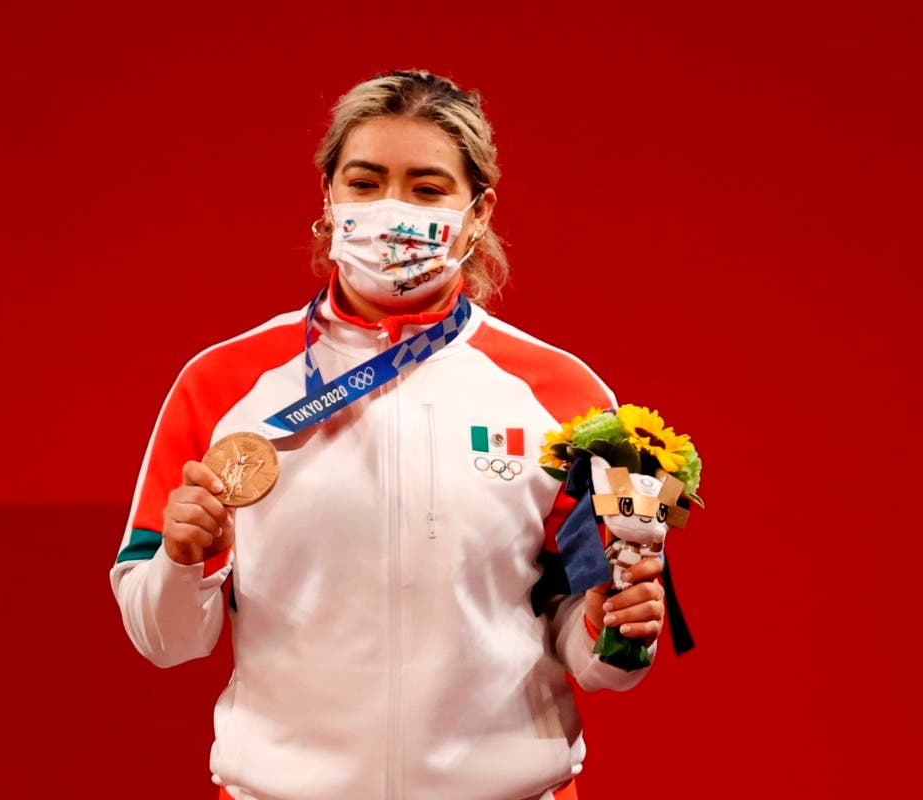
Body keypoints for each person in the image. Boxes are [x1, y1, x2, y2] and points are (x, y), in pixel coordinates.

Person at [109, 69, 667, 800]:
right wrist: (183, 562)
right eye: (365, 184)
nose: (392, 211)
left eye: (427, 189)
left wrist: (612, 631)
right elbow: (168, 640)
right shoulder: (224, 384)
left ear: (478, 212)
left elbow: (596, 653)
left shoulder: (565, 396)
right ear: (328, 197)